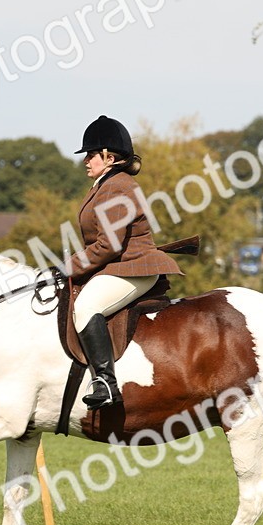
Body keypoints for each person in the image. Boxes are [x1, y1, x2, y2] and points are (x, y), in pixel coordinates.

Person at [65, 115, 182, 409]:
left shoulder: (119, 187)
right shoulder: (104, 185)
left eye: (91, 155)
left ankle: (105, 382)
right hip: (118, 266)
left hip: (134, 268)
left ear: (109, 156)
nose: (86, 160)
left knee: (87, 306)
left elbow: (108, 245)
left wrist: (69, 266)